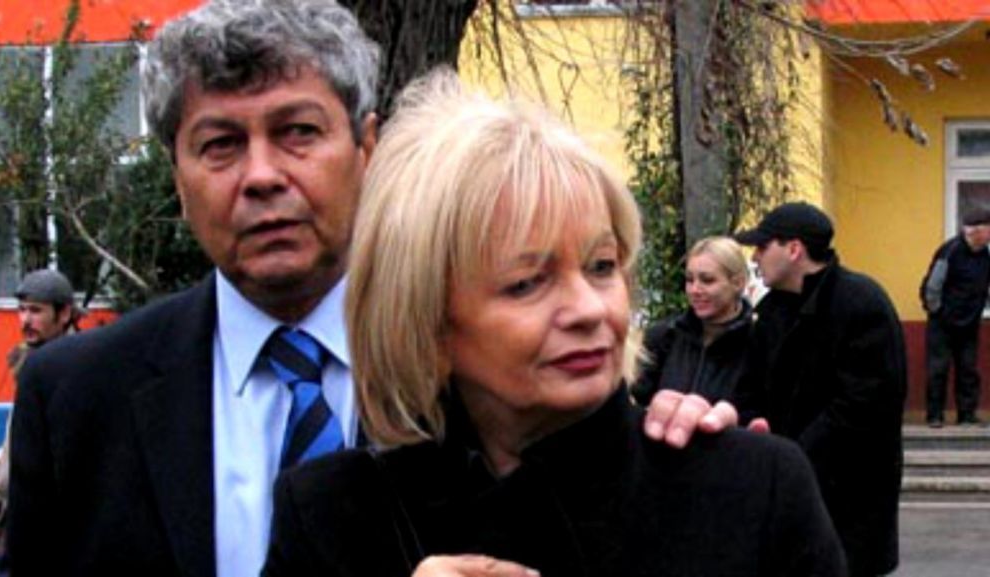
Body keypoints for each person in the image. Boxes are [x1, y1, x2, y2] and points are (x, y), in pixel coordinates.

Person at [7, 2, 732, 576]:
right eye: (221, 144)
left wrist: (671, 436)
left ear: (368, 146)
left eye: (297, 132)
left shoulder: (491, 378)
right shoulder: (75, 398)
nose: (261, 176)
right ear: (176, 174)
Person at [263, 72, 846, 577]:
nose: (589, 309)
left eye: (601, 266)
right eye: (526, 283)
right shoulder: (330, 514)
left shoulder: (750, 487)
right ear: (425, 320)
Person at [734, 201, 907, 577]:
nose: (755, 257)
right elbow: (748, 390)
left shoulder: (862, 304)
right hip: (788, 493)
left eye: (763, 246)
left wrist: (791, 459)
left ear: (794, 249)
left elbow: (863, 407)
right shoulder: (771, 312)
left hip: (850, 501)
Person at [0, 269, 79, 573]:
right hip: (17, 509)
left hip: (50, 517)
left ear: (64, 313)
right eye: (21, 310)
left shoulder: (78, 366)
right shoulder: (30, 362)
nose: (25, 320)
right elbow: (17, 432)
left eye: (36, 311)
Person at [632, 236, 752, 405]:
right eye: (689, 280)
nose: (695, 290)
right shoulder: (664, 337)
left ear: (738, 283)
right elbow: (634, 399)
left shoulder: (759, 345)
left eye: (707, 280)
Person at [920, 209, 990, 427]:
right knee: (938, 370)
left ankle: (966, 415)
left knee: (968, 370)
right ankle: (935, 416)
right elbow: (933, 286)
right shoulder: (950, 251)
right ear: (977, 231)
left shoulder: (985, 255)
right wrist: (938, 311)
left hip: (969, 323)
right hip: (943, 323)